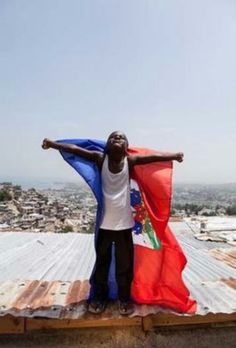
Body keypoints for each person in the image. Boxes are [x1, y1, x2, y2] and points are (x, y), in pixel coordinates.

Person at [42, 131, 183, 315]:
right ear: (107, 146)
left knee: (124, 266)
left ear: (126, 148)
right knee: (102, 263)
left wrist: (174, 155)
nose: (117, 139)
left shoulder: (130, 162)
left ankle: (124, 299)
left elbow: (151, 158)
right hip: (105, 227)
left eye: (121, 137)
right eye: (113, 137)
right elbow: (76, 149)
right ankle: (99, 298)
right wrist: (53, 144)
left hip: (125, 226)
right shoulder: (100, 159)